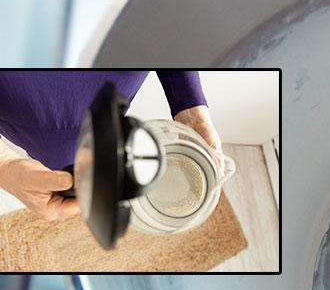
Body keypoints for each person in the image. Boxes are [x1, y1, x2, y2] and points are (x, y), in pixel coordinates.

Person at [0, 71, 221, 221]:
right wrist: (5, 164)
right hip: (33, 112)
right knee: (62, 169)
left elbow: (166, 22)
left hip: (115, 84)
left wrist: (190, 107)